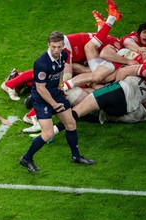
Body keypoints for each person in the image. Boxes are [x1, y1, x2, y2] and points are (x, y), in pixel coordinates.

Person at [19, 31, 95, 172]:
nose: (56, 50)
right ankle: (26, 158)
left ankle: (76, 156)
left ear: (63, 46)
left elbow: (60, 71)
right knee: (47, 134)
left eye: (59, 47)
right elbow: (41, 88)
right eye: (53, 47)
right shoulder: (41, 63)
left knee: (71, 123)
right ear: (48, 45)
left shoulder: (63, 55)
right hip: (42, 100)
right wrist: (54, 104)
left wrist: (61, 86)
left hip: (56, 94)